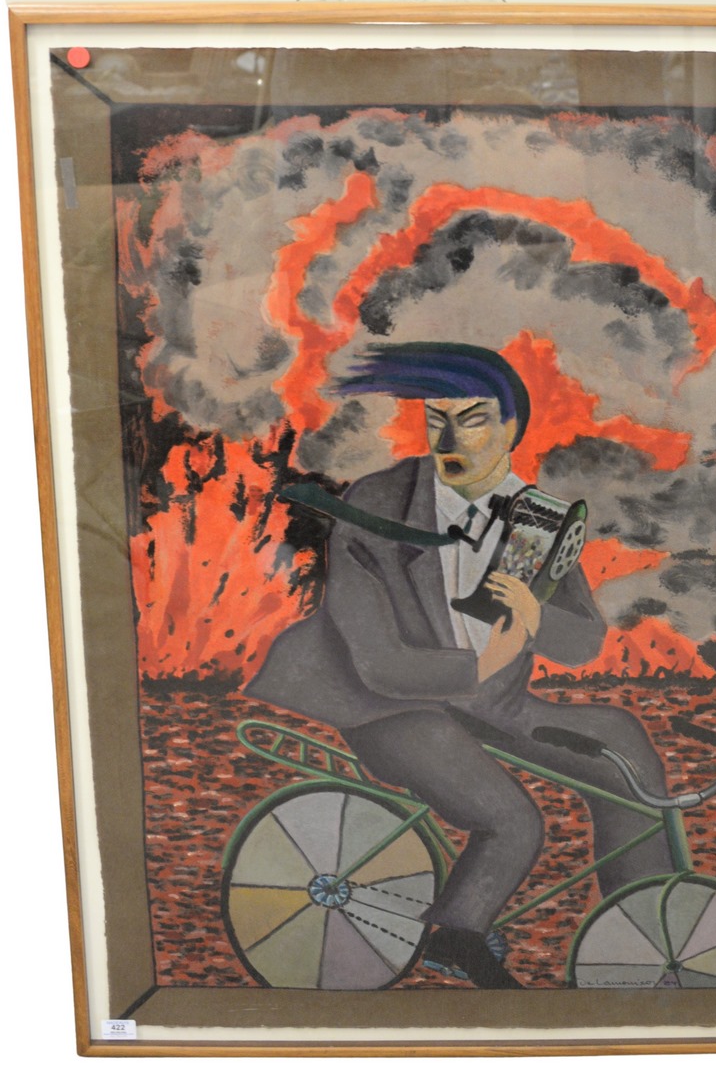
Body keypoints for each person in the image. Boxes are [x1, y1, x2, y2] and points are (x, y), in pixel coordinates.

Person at [246, 342, 672, 989]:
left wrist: (534, 614)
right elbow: (380, 664)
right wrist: (477, 667)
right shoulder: (378, 504)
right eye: (436, 420)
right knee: (512, 820)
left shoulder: (537, 520)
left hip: (491, 703)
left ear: (509, 427)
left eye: (471, 420)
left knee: (619, 742)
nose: (449, 440)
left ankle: (646, 928)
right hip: (389, 705)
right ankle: (457, 937)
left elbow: (583, 643)